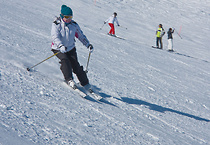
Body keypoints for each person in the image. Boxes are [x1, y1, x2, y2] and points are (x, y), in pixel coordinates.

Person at [51, 5, 93, 89]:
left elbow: (80, 36)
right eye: (67, 17)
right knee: (65, 60)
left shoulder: (74, 25)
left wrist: (88, 44)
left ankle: (85, 83)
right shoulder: (56, 24)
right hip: (58, 48)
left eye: (70, 17)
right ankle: (69, 79)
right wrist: (60, 45)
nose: (69, 19)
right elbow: (55, 37)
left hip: (70, 48)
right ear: (62, 16)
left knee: (76, 65)